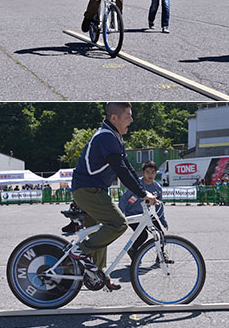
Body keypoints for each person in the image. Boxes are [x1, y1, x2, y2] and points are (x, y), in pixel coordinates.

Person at [68, 102, 157, 291]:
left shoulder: (113, 136)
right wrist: (143, 193)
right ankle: (79, 250)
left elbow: (129, 170)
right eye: (128, 116)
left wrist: (143, 191)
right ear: (114, 118)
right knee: (118, 224)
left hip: (91, 189)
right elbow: (121, 171)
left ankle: (97, 275)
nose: (132, 120)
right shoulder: (106, 138)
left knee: (99, 230)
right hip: (88, 190)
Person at [118, 160, 168, 260]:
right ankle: (132, 250)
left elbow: (159, 205)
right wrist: (120, 215)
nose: (150, 175)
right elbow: (124, 199)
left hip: (147, 214)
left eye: (153, 172)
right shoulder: (136, 184)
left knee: (160, 234)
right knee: (142, 236)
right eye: (147, 172)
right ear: (143, 172)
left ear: (156, 173)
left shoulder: (157, 188)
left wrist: (163, 221)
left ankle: (161, 255)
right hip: (132, 215)